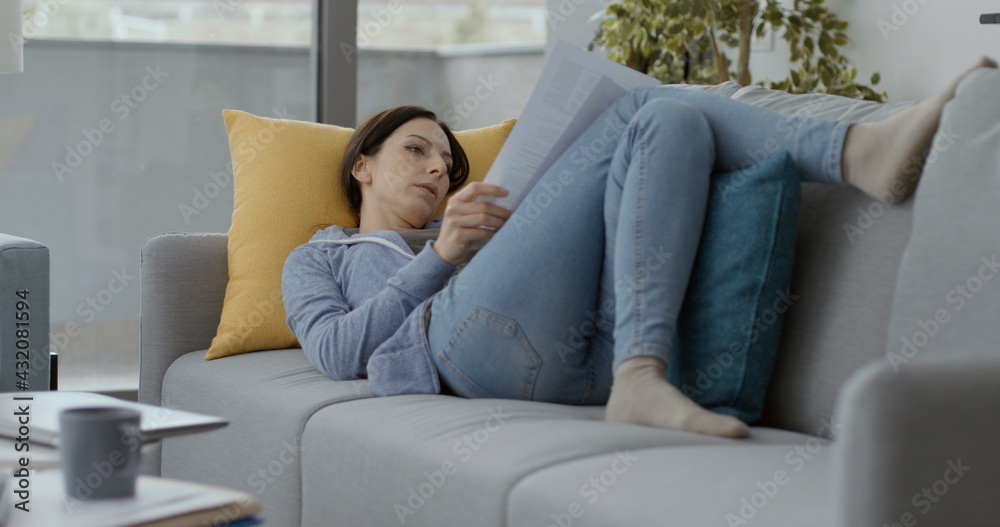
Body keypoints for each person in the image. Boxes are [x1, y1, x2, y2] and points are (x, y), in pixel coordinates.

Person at [282, 58, 997, 439]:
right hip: (457, 352)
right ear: (362, 164)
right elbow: (341, 353)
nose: (440, 169)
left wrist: (476, 238)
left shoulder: (456, 230)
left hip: (586, 354)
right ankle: (858, 154)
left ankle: (641, 373)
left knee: (674, 120)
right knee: (640, 107)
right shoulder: (322, 255)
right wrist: (441, 259)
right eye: (417, 150)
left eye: (449, 160)